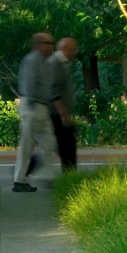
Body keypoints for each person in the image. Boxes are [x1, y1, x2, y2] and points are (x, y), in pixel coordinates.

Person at [12, 32, 59, 192]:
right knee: (27, 145)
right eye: (49, 43)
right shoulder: (33, 60)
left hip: (40, 106)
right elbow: (29, 84)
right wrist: (31, 108)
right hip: (33, 106)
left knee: (49, 143)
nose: (52, 46)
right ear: (40, 44)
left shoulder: (43, 61)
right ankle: (19, 180)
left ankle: (46, 177)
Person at [48, 37, 79, 170]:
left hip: (58, 113)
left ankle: (70, 173)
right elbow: (53, 90)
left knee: (64, 145)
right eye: (73, 49)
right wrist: (63, 113)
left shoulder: (64, 63)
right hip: (56, 113)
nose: (75, 52)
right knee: (67, 146)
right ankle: (70, 176)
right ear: (65, 48)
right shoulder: (55, 63)